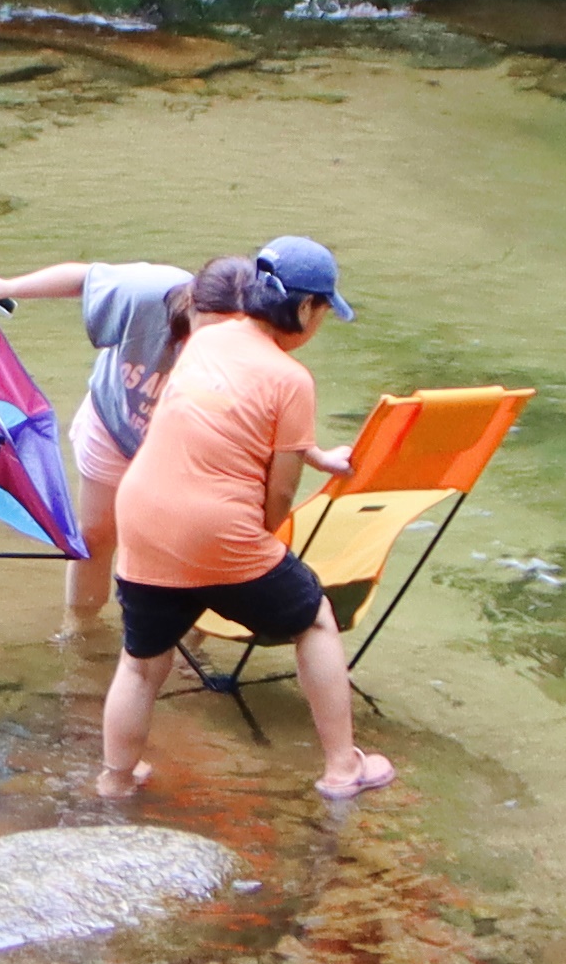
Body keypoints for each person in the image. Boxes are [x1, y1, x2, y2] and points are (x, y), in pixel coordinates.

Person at [97, 233, 392, 804]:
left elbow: (225, 411)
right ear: (306, 309)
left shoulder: (208, 339)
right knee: (314, 619)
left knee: (140, 663)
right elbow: (279, 492)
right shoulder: (292, 379)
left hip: (140, 512)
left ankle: (114, 781)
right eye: (325, 311)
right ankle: (341, 769)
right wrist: (263, 540)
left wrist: (312, 450)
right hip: (216, 528)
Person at [0, 247, 207, 636]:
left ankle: (191, 644)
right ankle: (80, 627)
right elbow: (83, 278)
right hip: (113, 424)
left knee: (190, 549)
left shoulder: (245, 347)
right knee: (94, 535)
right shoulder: (148, 292)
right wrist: (9, 286)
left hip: (185, 451)